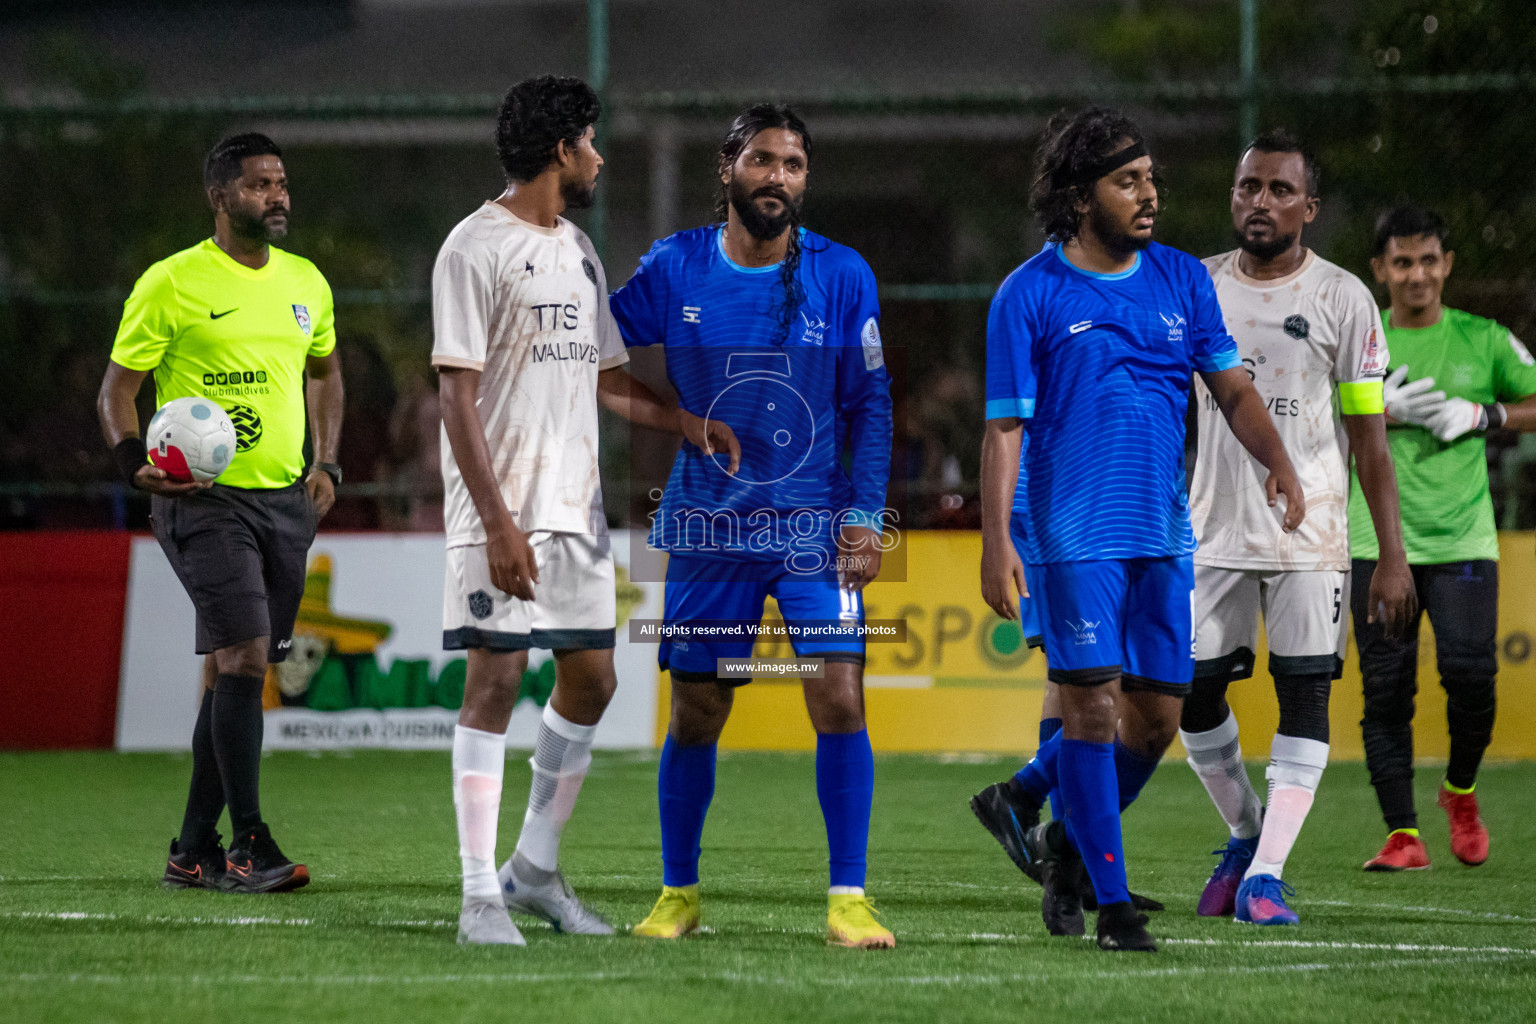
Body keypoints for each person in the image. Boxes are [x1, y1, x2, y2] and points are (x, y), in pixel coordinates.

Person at [978, 107, 1304, 952]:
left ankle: (1032, 809)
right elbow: (1004, 428)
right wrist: (995, 539)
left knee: (1155, 720)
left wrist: (1278, 460)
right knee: (1089, 709)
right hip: (1069, 531)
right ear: (1081, 195)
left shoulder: (1180, 281)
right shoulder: (1028, 293)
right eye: (1130, 181)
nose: (1151, 195)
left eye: (1152, 178)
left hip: (1162, 532)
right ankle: (1109, 902)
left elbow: (1231, 388)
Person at [432, 76, 737, 946]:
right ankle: (477, 897)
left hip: (574, 514)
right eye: (592, 141)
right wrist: (495, 523)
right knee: (493, 682)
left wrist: (682, 420)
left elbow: (605, 377)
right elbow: (456, 395)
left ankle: (532, 871)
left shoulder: (579, 249)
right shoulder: (472, 246)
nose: (601, 156)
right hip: (500, 513)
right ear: (562, 148)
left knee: (594, 681)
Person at [607, 104, 896, 949]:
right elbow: (591, 355)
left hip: (814, 528)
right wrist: (681, 423)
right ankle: (678, 895)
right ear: (728, 168)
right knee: (696, 712)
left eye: (795, 164)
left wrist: (868, 519)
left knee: (840, 698)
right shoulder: (675, 267)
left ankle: (848, 899)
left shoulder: (843, 274)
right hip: (707, 531)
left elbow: (871, 404)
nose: (779, 177)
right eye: (763, 160)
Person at [1178, 131, 1416, 925]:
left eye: (1281, 190)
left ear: (1309, 208)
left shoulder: (1344, 298)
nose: (1261, 202)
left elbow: (1369, 439)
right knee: (1189, 695)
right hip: (1210, 531)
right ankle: (1248, 832)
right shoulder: (1197, 285)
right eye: (1249, 187)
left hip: (1310, 539)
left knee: (1304, 695)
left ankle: (1265, 877)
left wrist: (1391, 554)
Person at [96, 132, 343, 893]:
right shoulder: (170, 283)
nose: (279, 196)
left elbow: (327, 373)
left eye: (282, 183)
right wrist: (131, 461)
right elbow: (116, 392)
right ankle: (250, 845)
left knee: (234, 672)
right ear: (220, 196)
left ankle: (191, 849)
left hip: (284, 500)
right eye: (261, 184)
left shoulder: (307, 282)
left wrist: (327, 460)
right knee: (240, 655)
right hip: (201, 501)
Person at [1349, 206, 1536, 871]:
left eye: (1428, 260)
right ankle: (1403, 834)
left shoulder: (1483, 339)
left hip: (1462, 540)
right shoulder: (1359, 339)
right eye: (1402, 262)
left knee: (1470, 674)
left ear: (1447, 265)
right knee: (1386, 689)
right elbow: (1306, 415)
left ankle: (1459, 790)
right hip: (1375, 539)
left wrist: (1486, 413)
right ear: (1380, 270)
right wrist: (1371, 408)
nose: (1417, 274)